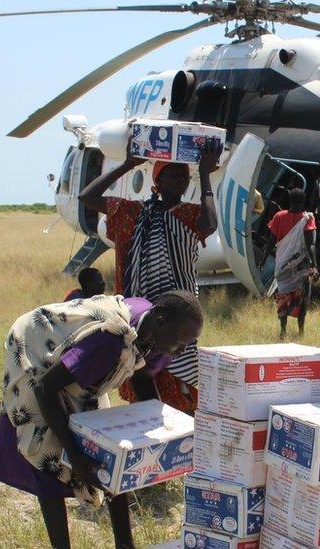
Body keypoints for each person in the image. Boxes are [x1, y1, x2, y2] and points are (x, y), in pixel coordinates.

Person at [0, 291, 204, 549]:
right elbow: (46, 388)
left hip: (77, 368)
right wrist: (74, 455)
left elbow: (142, 377)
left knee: (110, 451)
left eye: (191, 342)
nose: (184, 350)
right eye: (181, 341)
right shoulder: (111, 340)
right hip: (37, 354)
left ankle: (125, 544)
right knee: (50, 454)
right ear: (161, 320)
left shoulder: (156, 335)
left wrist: (163, 434)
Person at [79, 142, 220, 414]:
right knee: (140, 376)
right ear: (157, 180)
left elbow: (210, 225)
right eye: (171, 174)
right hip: (141, 320)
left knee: (182, 389)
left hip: (179, 319)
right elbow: (87, 196)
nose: (179, 180)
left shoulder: (190, 214)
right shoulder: (131, 212)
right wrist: (128, 165)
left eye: (183, 176)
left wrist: (204, 174)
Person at [265, 188, 317, 338]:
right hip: (301, 266)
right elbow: (310, 244)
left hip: (282, 265)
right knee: (302, 298)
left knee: (283, 298)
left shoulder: (279, 216)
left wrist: (262, 260)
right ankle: (301, 331)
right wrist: (314, 264)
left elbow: (270, 242)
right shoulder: (308, 218)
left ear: (289, 200)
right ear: (303, 201)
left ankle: (283, 331)